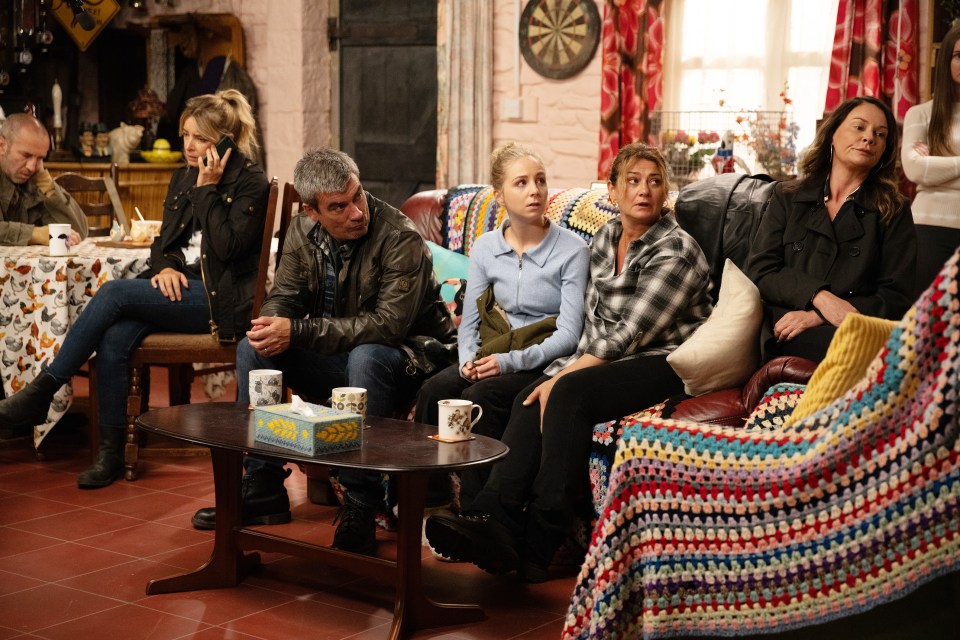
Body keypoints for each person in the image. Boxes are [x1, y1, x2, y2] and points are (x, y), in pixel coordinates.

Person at [425, 143, 713, 582]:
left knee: (565, 393)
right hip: (602, 356)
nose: (644, 191)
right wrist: (556, 371)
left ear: (666, 193)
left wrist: (562, 375)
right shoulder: (604, 238)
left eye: (655, 182)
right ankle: (489, 522)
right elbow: (590, 325)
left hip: (660, 362)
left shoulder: (678, 250)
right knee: (524, 395)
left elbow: (626, 335)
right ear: (612, 193)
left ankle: (541, 545)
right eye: (632, 181)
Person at [189, 148, 458, 556]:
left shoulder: (400, 238)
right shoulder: (301, 231)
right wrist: (272, 326)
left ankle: (361, 504)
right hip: (343, 355)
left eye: (358, 196)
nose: (356, 212)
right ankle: (262, 484)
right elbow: (284, 298)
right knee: (253, 347)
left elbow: (387, 327)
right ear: (313, 211)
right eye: (339, 206)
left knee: (366, 355)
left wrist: (296, 331)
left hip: (410, 359)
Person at [0, 90, 271, 488]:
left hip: (223, 301)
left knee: (113, 294)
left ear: (225, 140)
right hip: (187, 288)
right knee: (114, 335)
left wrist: (207, 188)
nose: (189, 147)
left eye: (199, 138)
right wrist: (165, 268)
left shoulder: (251, 182)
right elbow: (164, 245)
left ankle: (43, 389)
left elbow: (227, 247)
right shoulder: (182, 176)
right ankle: (110, 454)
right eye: (184, 136)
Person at [414, 142, 589, 504]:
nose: (535, 190)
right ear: (500, 196)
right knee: (433, 390)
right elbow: (471, 319)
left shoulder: (573, 251)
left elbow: (570, 336)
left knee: (482, 395)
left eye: (540, 181)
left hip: (542, 360)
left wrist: (506, 363)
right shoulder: (485, 247)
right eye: (521, 183)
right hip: (494, 350)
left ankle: (478, 513)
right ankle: (431, 502)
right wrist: (466, 360)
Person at [745, 96, 917, 363]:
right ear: (832, 134)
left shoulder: (894, 209)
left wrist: (818, 316)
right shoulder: (787, 196)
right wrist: (819, 297)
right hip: (786, 326)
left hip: (855, 327)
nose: (869, 138)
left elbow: (896, 297)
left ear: (884, 149)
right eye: (859, 127)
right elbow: (761, 270)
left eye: (880, 134)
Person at [901, 22, 960, 298]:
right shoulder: (921, 114)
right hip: (928, 228)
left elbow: (926, 168)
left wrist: (937, 164)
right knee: (924, 325)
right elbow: (914, 168)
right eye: (959, 55)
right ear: (947, 60)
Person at [0, 112, 87, 247]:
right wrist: (35, 234)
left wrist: (44, 181)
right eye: (26, 155)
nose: (31, 167)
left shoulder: (34, 178)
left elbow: (78, 232)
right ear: (2, 146)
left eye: (40, 158)